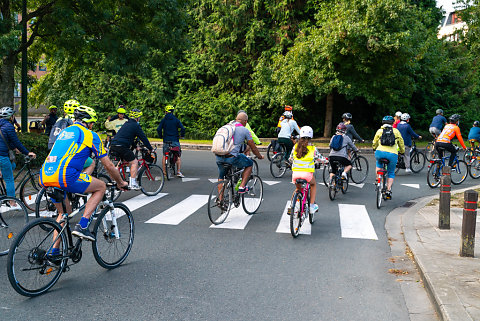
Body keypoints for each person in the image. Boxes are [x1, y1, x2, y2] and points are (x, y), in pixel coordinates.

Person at [40, 105, 127, 250]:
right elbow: (109, 166)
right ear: (89, 122)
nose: (92, 126)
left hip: (45, 175)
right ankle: (83, 225)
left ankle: (53, 252)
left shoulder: (65, 131)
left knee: (63, 214)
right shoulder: (90, 135)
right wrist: (121, 182)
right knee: (101, 187)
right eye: (92, 123)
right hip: (65, 175)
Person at [215, 112, 264, 193]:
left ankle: (220, 200)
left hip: (219, 156)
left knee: (221, 177)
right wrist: (259, 156)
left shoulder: (227, 127)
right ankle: (242, 186)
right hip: (232, 157)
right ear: (245, 122)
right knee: (249, 164)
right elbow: (253, 147)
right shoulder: (245, 130)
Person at [0, 107, 36, 207]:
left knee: (12, 165)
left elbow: (4, 140)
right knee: (9, 180)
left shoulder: (2, 125)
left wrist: (13, 148)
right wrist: (27, 152)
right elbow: (16, 142)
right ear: (11, 117)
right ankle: (12, 202)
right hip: (2, 155)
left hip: (2, 154)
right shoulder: (9, 126)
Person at [110, 108, 153, 189]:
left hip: (114, 145)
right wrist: (150, 148)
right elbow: (143, 138)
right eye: (139, 117)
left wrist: (135, 146)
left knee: (123, 162)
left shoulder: (126, 124)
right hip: (122, 146)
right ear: (137, 118)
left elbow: (127, 137)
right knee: (134, 162)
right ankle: (132, 183)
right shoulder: (136, 126)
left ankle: (115, 178)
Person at [289, 126, 320, 213]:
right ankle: (312, 206)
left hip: (295, 174)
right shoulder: (313, 148)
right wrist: (325, 161)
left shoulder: (295, 147)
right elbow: (319, 158)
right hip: (307, 175)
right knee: (313, 185)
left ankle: (291, 207)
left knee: (298, 190)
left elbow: (290, 158)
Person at [372, 116, 405, 200]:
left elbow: (375, 142)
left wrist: (374, 148)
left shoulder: (379, 131)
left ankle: (378, 179)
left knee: (378, 164)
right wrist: (402, 151)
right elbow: (401, 143)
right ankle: (388, 190)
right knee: (390, 172)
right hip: (392, 154)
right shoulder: (396, 131)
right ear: (392, 123)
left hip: (380, 152)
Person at [156, 105, 186, 178]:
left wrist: (161, 136)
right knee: (177, 155)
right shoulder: (176, 119)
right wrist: (182, 135)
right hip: (175, 140)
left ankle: (164, 172)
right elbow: (183, 128)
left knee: (165, 155)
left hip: (166, 140)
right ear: (173, 111)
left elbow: (158, 129)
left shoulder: (164, 120)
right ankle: (178, 172)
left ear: (166, 112)